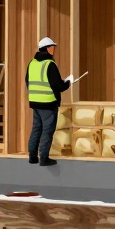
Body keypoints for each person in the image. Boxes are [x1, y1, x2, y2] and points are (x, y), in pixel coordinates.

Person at [27, 36, 71, 167]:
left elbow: (28, 81)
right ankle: (44, 158)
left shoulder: (32, 63)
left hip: (35, 102)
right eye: (52, 47)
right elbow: (57, 86)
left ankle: (32, 157)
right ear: (48, 49)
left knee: (36, 129)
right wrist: (67, 83)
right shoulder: (49, 64)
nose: (54, 50)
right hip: (48, 103)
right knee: (47, 131)